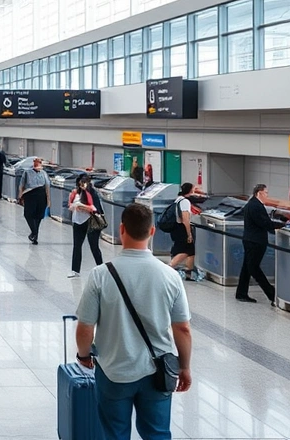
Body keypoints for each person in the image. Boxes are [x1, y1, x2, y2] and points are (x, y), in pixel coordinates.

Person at [74, 203, 193, 439]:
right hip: (158, 371)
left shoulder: (100, 274)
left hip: (113, 371)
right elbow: (182, 328)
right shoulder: (170, 276)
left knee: (115, 433)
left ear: (121, 230)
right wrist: (184, 367)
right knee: (157, 433)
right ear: (152, 232)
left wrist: (84, 355)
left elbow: (85, 327)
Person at [237, 184, 285, 303]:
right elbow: (264, 223)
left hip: (249, 239)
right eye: (266, 193)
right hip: (256, 241)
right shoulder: (256, 206)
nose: (267, 195)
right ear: (259, 193)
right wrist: (281, 226)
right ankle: (271, 294)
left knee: (247, 267)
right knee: (254, 268)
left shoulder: (251, 204)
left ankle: (241, 293)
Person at [68, 174, 105, 278]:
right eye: (79, 184)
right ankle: (75, 270)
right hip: (78, 222)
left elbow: (95, 209)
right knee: (77, 246)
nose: (81, 186)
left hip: (91, 222)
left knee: (94, 246)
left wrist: (83, 208)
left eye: (83, 184)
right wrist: (73, 206)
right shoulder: (76, 193)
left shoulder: (92, 193)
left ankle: (101, 268)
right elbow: (70, 205)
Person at [167, 183, 198, 281]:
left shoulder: (178, 199)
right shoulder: (185, 202)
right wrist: (189, 234)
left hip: (176, 228)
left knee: (191, 251)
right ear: (190, 190)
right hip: (182, 228)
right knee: (184, 251)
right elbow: (185, 219)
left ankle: (189, 273)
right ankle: (168, 268)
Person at [18, 158, 50, 245]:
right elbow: (21, 184)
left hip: (41, 195)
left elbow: (47, 186)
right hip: (30, 194)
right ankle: (34, 231)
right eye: (36, 163)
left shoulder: (44, 173)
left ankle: (35, 236)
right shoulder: (27, 172)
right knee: (28, 214)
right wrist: (20, 196)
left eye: (39, 163)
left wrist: (48, 200)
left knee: (38, 216)